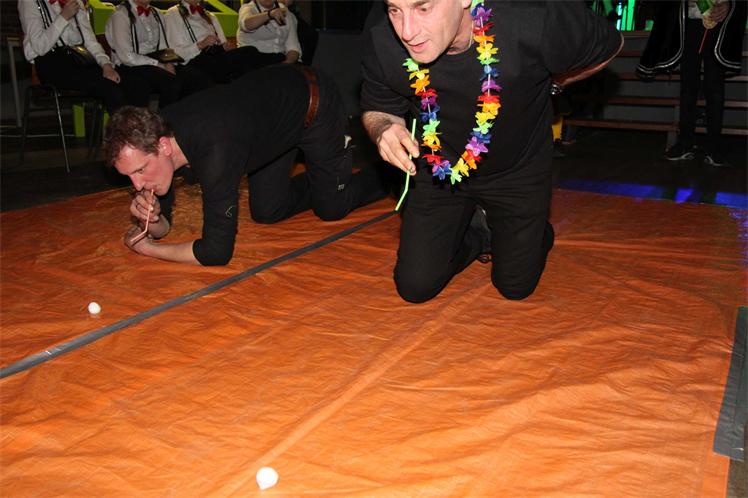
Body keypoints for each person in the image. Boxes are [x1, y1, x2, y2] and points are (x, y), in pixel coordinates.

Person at [361, 0, 622, 303]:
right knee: (414, 287)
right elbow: (378, 108)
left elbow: (610, 44)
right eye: (395, 9)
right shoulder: (383, 36)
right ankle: (480, 234)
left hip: (518, 168)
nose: (407, 31)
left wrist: (555, 82)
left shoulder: (532, 18)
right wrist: (383, 128)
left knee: (515, 287)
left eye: (423, 8)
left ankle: (532, 232)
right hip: (440, 169)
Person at [103, 64, 387, 266]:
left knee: (331, 207)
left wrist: (149, 250)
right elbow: (163, 228)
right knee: (268, 211)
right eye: (130, 176)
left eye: (140, 170)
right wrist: (152, 220)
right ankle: (324, 178)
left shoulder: (215, 149)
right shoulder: (154, 135)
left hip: (313, 100)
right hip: (269, 121)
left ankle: (388, 174)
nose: (137, 185)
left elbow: (216, 253)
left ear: (164, 146)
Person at [637, 0, 746, 167]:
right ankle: (684, 143)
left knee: (715, 86)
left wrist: (730, 5)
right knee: (688, 84)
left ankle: (714, 147)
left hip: (719, 25)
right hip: (689, 23)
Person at [18, 0, 126, 113]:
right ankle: (123, 124)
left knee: (122, 80)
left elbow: (90, 42)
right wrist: (63, 17)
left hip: (79, 59)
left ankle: (129, 123)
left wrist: (106, 65)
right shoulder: (29, 2)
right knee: (109, 87)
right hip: (51, 63)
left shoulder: (75, 2)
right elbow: (39, 47)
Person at [105, 0, 210, 108]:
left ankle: (183, 114)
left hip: (153, 61)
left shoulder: (157, 13)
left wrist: (169, 63)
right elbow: (126, 56)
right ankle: (162, 117)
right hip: (129, 65)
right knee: (169, 83)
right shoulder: (121, 15)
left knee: (193, 77)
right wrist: (157, 64)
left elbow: (163, 47)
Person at [164, 0, 283, 85]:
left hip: (216, 57)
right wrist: (200, 45)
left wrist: (226, 47)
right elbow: (176, 53)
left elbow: (223, 42)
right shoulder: (173, 14)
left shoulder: (209, 15)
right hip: (195, 61)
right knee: (249, 52)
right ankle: (277, 59)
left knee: (245, 66)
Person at [236, 0, 301, 64]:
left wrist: (286, 63)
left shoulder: (287, 14)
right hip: (252, 61)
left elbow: (293, 48)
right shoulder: (248, 9)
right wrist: (270, 14)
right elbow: (246, 26)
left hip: (279, 61)